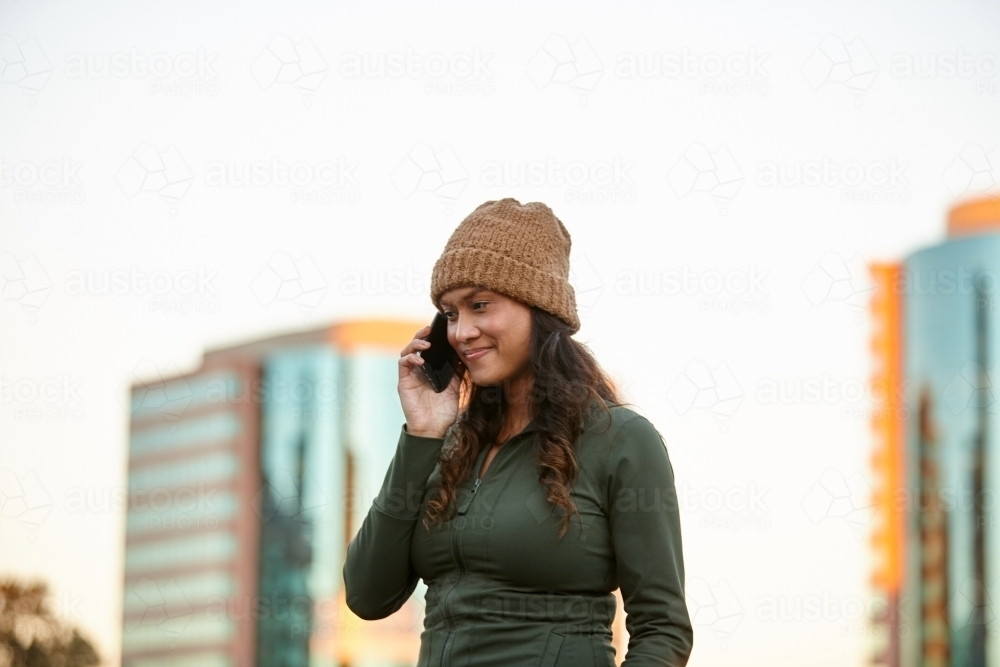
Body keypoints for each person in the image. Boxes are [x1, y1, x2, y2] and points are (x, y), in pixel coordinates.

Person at [343, 198, 693, 666]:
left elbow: (662, 629)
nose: (462, 331)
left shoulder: (621, 440)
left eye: (480, 305)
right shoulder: (448, 447)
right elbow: (368, 595)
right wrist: (421, 434)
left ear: (539, 308)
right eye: (449, 313)